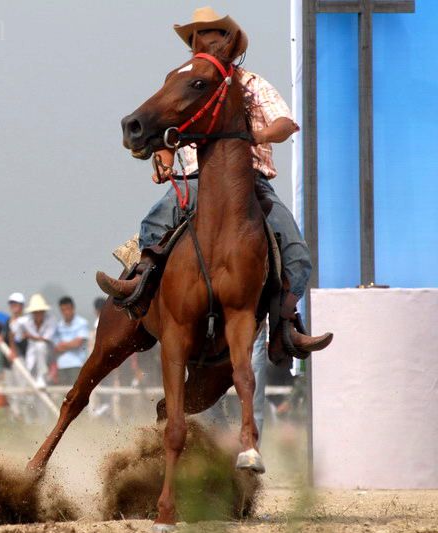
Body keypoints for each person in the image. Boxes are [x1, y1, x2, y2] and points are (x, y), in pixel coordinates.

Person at [96, 7, 332, 357]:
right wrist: (163, 159)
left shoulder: (251, 83)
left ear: (229, 43)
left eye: (213, 34)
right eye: (197, 37)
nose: (203, 41)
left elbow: (285, 123)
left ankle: (286, 325)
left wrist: (257, 134)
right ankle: (140, 282)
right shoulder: (183, 82)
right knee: (155, 219)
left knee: (298, 255)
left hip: (250, 182)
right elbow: (167, 129)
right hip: (196, 179)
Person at [10, 293, 57, 387]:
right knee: (30, 381)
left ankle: (41, 376)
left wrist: (29, 336)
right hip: (32, 355)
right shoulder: (25, 321)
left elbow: (46, 339)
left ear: (44, 311)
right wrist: (13, 348)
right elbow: (13, 331)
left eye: (40, 311)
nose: (38, 314)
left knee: (40, 345)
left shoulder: (51, 320)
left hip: (48, 355)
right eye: (36, 311)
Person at [52, 296, 90, 385]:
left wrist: (63, 345)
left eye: (68, 309)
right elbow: (56, 347)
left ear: (73, 308)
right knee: (63, 395)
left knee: (75, 394)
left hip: (77, 364)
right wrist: (71, 344)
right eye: (63, 310)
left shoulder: (82, 322)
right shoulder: (58, 326)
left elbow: (78, 343)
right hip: (61, 365)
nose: (66, 312)